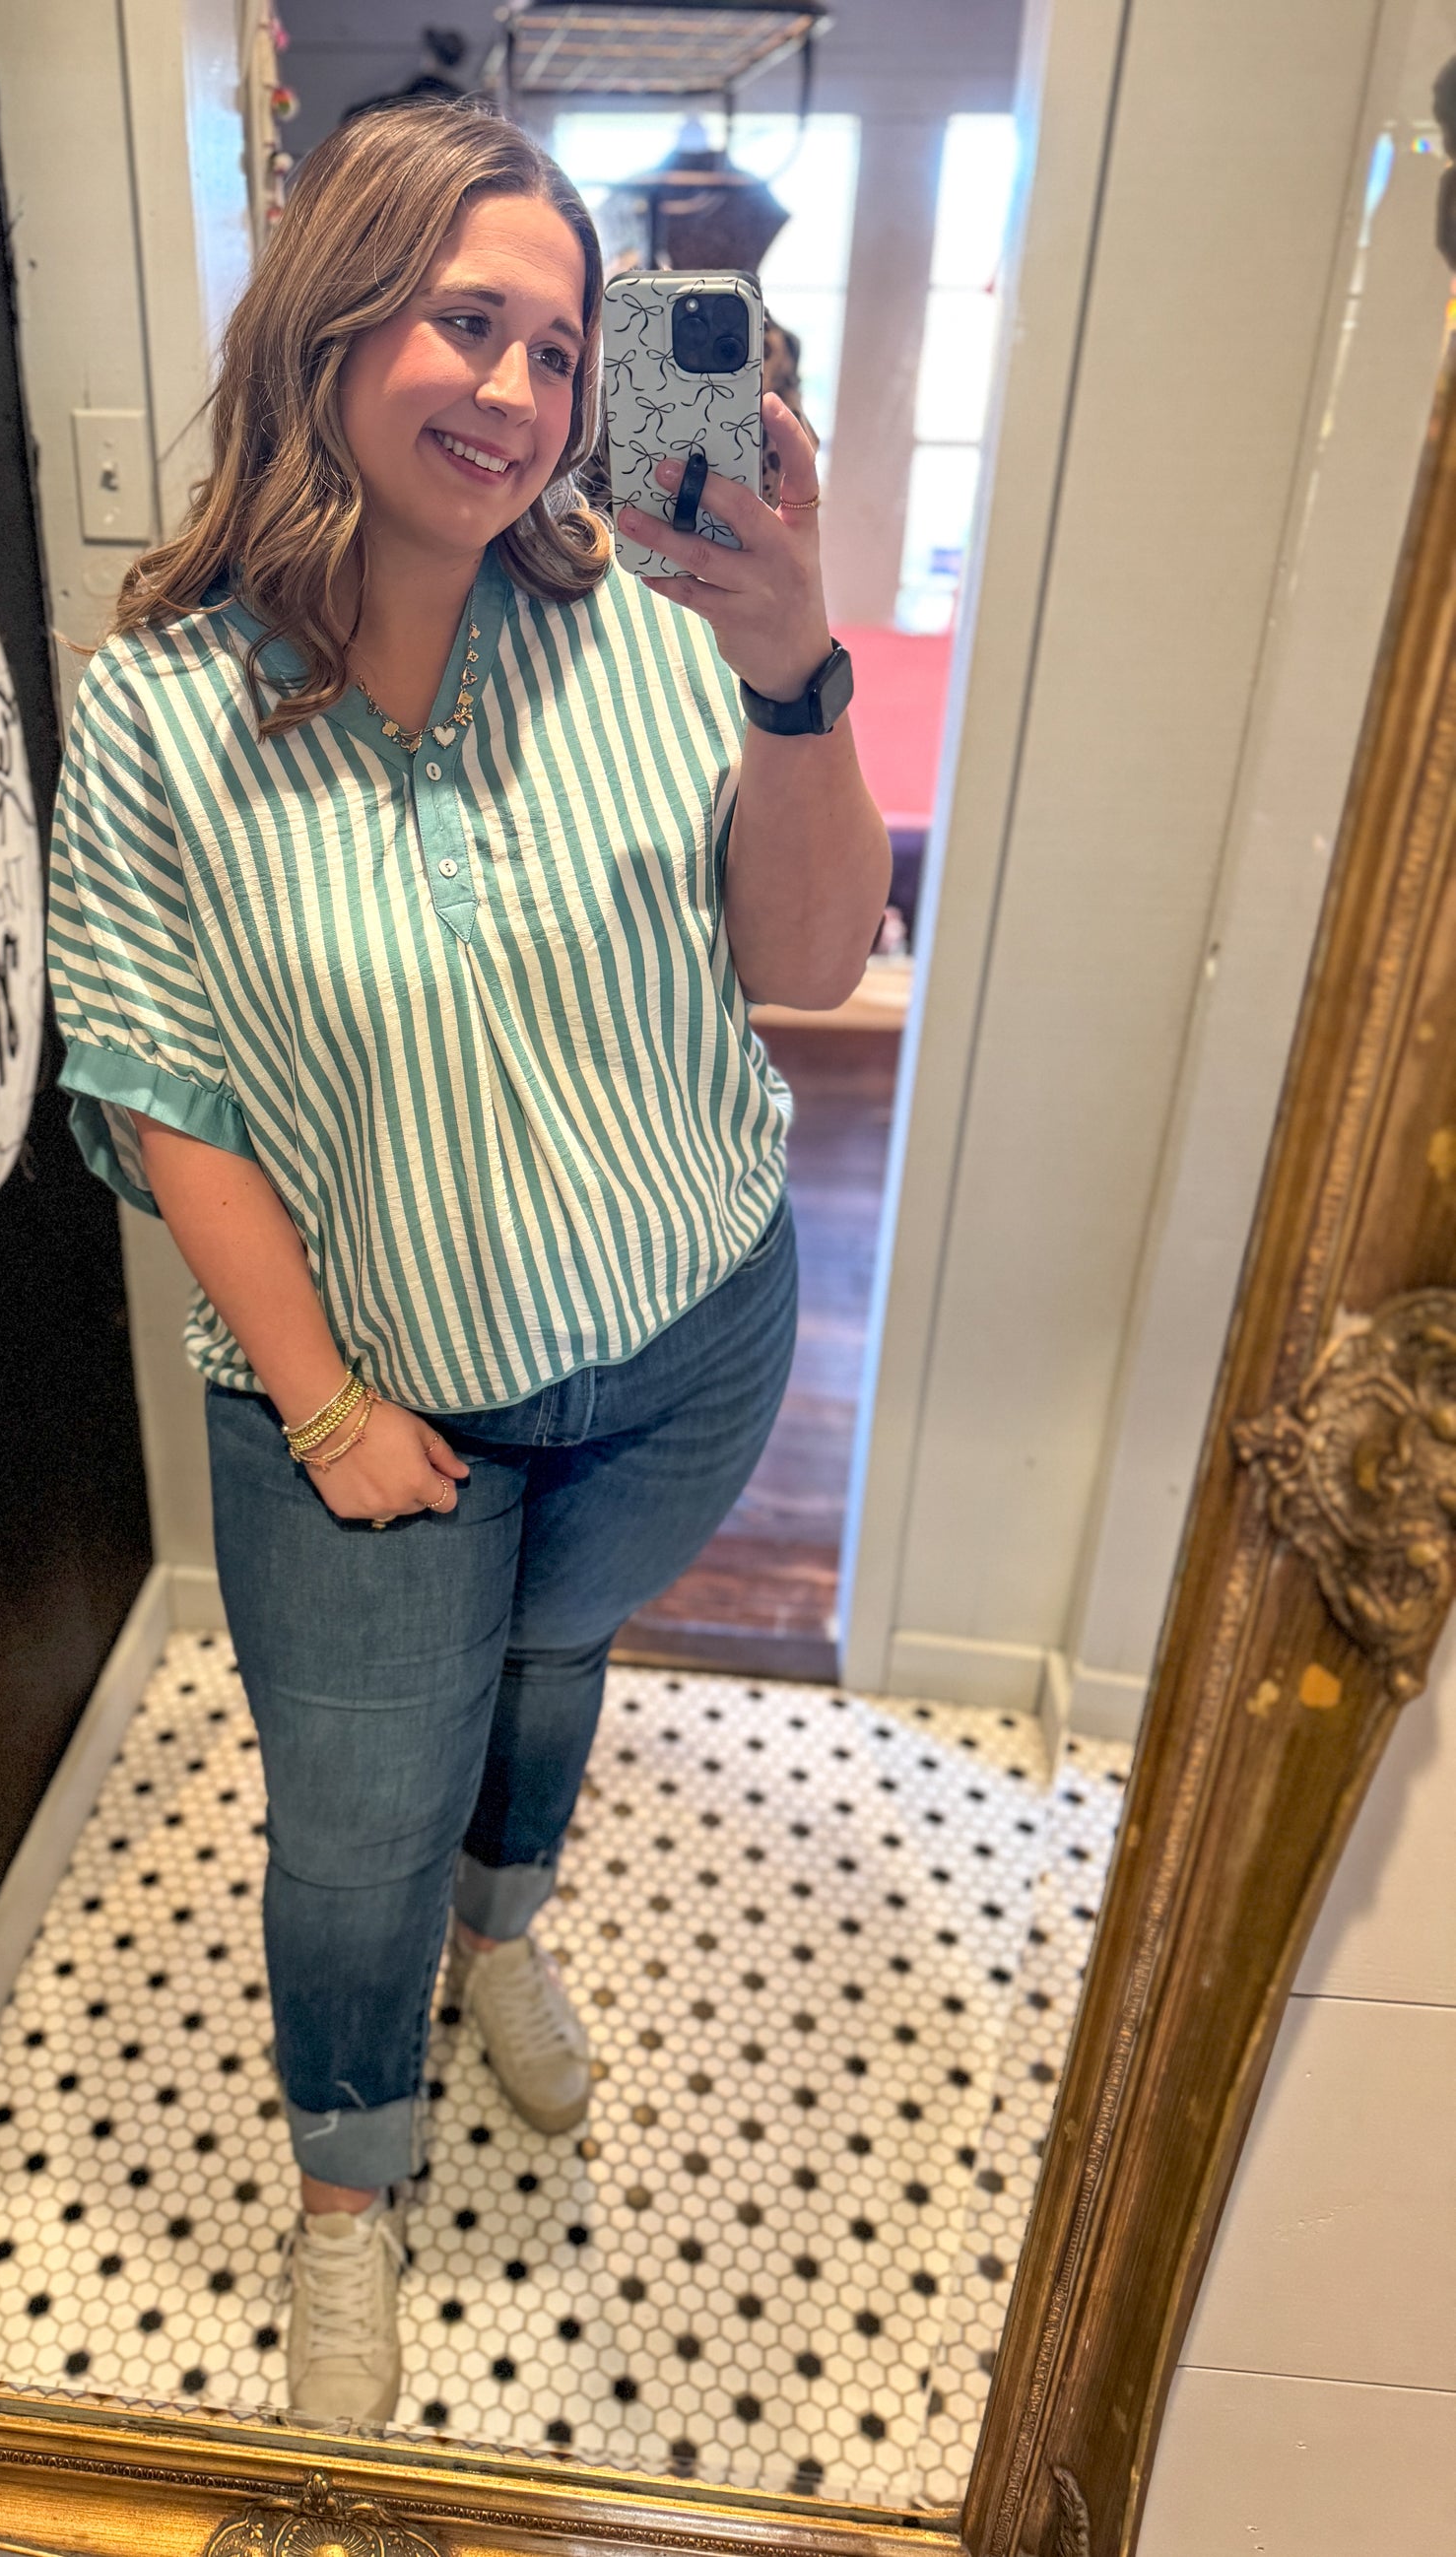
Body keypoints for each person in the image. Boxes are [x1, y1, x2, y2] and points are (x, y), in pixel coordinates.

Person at [46, 98, 890, 2427]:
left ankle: (504, 1932)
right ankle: (348, 2187)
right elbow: (154, 1076)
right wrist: (322, 1403)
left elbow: (811, 967)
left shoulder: (641, 623)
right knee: (344, 1816)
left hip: (684, 1341)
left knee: (547, 1661)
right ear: (334, 324)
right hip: (359, 1401)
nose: (516, 394)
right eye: (463, 321)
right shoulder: (162, 707)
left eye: (562, 343)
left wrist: (799, 666)